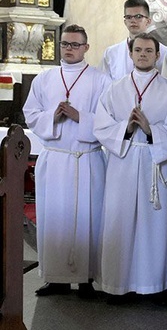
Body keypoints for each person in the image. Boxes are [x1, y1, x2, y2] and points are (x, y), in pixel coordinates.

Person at [23, 24, 110, 297]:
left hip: (87, 161)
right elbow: (31, 113)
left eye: (75, 44)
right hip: (57, 160)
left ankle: (87, 280)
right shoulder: (45, 79)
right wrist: (53, 117)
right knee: (55, 218)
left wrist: (79, 116)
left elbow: (109, 120)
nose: (69, 49)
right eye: (65, 44)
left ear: (86, 47)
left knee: (88, 218)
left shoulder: (101, 80)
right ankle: (55, 278)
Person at [94, 34, 167, 300]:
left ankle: (154, 284)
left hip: (154, 162)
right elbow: (101, 126)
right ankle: (117, 284)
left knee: (154, 224)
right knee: (119, 221)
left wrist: (149, 129)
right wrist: (126, 128)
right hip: (124, 161)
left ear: (158, 55)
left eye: (149, 50)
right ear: (130, 54)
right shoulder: (115, 88)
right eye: (138, 50)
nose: (143, 54)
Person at [100, 0, 166, 81]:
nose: (133, 21)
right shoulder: (111, 53)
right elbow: (104, 85)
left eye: (138, 17)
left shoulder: (165, 53)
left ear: (148, 21)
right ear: (125, 22)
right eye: (129, 17)